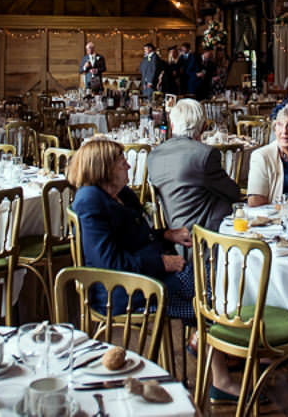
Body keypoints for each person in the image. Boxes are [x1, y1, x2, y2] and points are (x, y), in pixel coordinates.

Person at [69, 140, 246, 401]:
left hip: (147, 278)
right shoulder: (90, 201)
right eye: (121, 161)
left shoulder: (122, 194)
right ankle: (217, 368)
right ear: (104, 168)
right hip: (121, 291)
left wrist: (166, 234)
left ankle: (210, 352)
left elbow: (134, 238)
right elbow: (109, 262)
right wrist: (161, 263)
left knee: (207, 287)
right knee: (207, 295)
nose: (128, 164)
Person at [147, 98, 239, 236]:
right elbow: (233, 193)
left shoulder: (154, 155)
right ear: (203, 127)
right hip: (205, 238)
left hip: (173, 234)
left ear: (172, 126)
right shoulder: (205, 155)